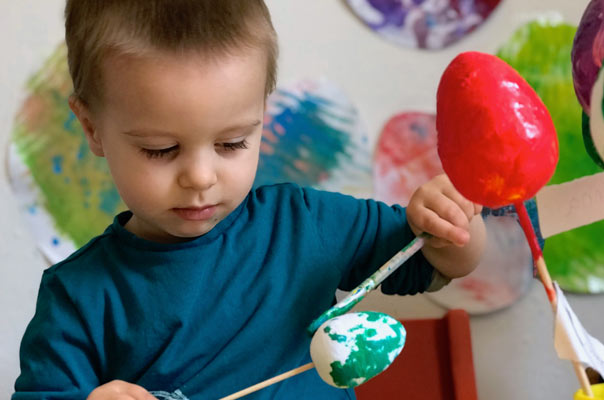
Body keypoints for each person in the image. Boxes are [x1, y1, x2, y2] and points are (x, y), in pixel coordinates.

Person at [13, 1, 486, 399]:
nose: (200, 177)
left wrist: (451, 225)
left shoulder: (304, 224)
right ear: (92, 127)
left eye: (232, 142)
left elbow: (436, 261)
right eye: (160, 149)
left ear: (262, 110)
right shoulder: (77, 299)